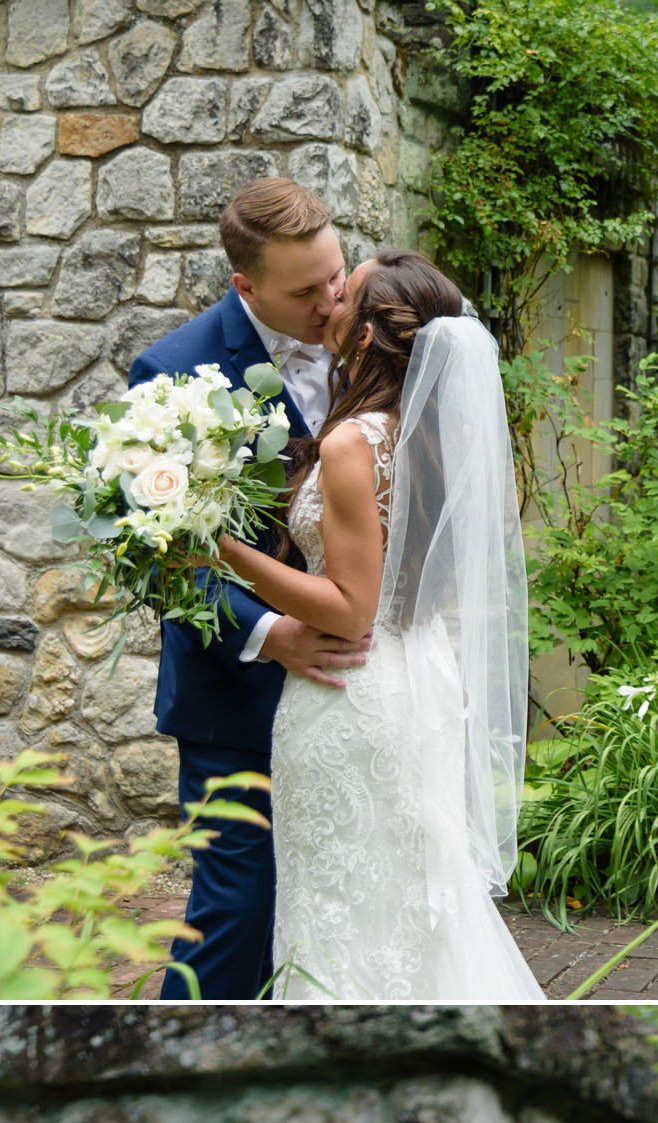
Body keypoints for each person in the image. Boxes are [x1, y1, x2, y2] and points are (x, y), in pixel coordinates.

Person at [219, 259, 542, 1006]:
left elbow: (350, 609)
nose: (330, 299)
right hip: (421, 676)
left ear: (367, 334)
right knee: (410, 900)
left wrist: (219, 548)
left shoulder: (350, 445)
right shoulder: (435, 440)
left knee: (341, 907)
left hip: (351, 691)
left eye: (346, 290)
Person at [130, 170, 350, 1011]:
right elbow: (159, 558)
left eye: (337, 274)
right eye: (307, 292)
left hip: (351, 692)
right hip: (235, 695)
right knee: (238, 909)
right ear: (244, 286)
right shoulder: (174, 374)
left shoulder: (369, 340)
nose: (333, 304)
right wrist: (270, 634)